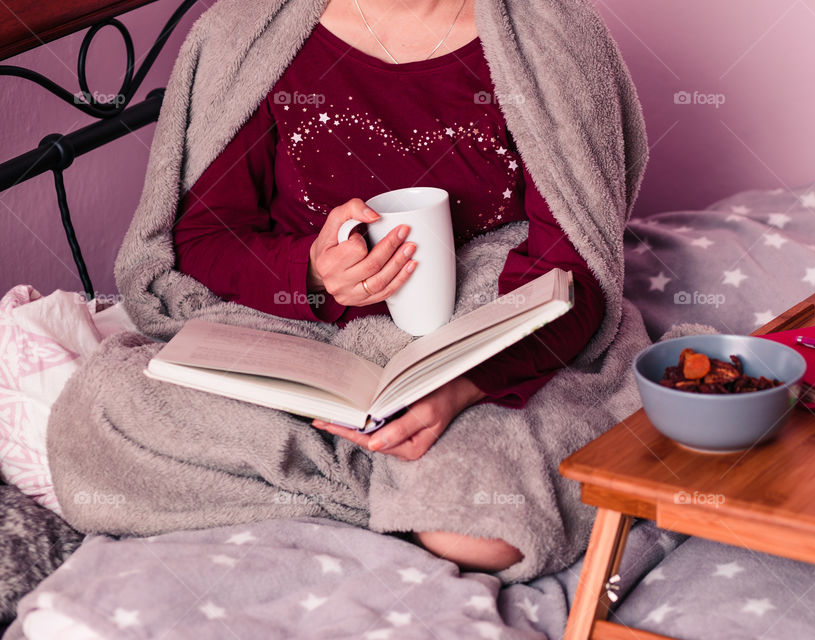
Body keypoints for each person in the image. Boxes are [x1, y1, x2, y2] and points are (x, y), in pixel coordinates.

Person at [172, 0, 606, 571]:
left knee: (478, 536)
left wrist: (463, 388)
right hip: (306, 334)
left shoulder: (549, 39)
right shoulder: (250, 36)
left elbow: (575, 272)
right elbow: (205, 235)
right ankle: (373, 481)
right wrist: (310, 271)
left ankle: (361, 479)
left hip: (485, 322)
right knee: (102, 407)